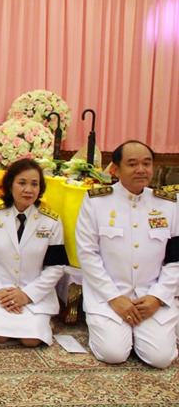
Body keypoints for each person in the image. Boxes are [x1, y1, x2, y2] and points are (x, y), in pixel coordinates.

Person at [76, 140, 179, 368]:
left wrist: (157, 297)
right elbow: (88, 254)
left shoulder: (169, 205)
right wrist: (114, 298)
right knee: (113, 354)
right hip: (109, 296)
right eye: (132, 164)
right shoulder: (96, 202)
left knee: (160, 359)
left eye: (146, 163)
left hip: (151, 296)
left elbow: (175, 260)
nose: (141, 170)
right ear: (115, 169)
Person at [0, 159, 68, 346]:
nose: (28, 190)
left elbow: (56, 267)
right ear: (10, 185)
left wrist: (27, 295)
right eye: (22, 183)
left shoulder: (51, 222)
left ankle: (40, 321)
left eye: (34, 184)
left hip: (34, 293)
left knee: (31, 340)